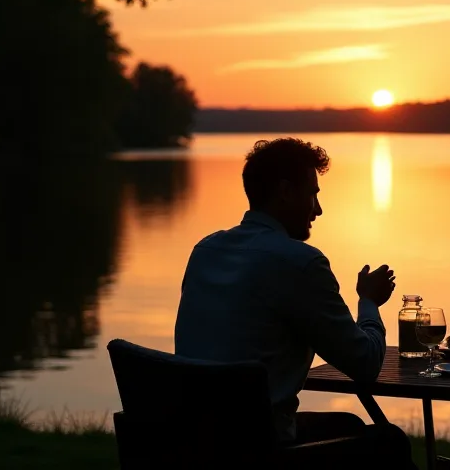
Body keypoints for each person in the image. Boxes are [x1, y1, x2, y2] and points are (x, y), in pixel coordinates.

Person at [174, 138, 414, 467]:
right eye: (313, 194)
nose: (318, 209)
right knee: (390, 442)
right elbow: (366, 364)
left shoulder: (205, 251)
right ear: (285, 192)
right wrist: (368, 303)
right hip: (259, 450)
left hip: (195, 441)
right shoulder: (300, 263)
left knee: (350, 427)